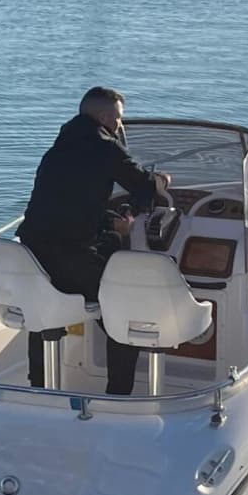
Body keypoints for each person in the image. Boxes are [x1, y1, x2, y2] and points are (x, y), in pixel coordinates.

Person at [17, 87, 171, 395]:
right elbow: (145, 187)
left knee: (42, 311)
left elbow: (67, 200)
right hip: (70, 254)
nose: (120, 125)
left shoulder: (60, 145)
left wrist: (108, 223)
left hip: (32, 254)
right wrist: (162, 182)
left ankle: (39, 387)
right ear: (104, 116)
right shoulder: (105, 146)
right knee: (126, 313)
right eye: (118, 118)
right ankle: (118, 397)